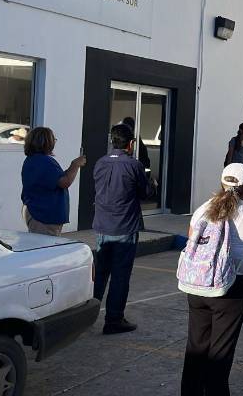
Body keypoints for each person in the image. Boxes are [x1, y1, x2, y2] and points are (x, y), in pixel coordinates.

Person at [181, 163, 243, 395]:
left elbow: (191, 237)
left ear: (222, 184)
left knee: (196, 347)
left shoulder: (203, 209)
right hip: (230, 288)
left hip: (198, 284)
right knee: (220, 352)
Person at [92, 124, 153, 335]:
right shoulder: (134, 165)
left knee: (100, 273)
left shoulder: (100, 163)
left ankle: (87, 315)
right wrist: (151, 183)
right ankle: (114, 319)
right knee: (120, 275)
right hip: (124, 227)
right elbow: (145, 193)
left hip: (102, 225)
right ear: (131, 144)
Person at [21, 127, 85, 236]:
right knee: (44, 246)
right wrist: (75, 165)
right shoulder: (43, 161)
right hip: (43, 216)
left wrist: (71, 168)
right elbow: (65, 182)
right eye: (53, 139)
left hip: (38, 212)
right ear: (46, 142)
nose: (54, 142)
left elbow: (57, 178)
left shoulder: (34, 159)